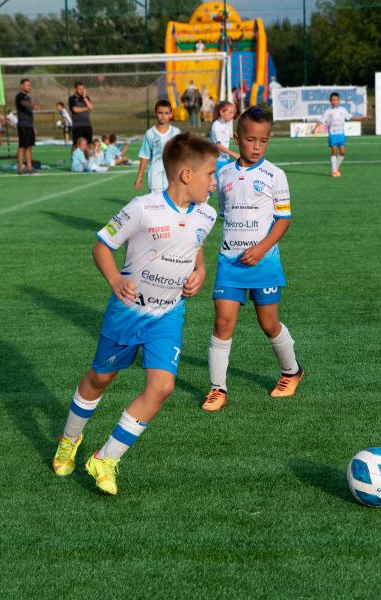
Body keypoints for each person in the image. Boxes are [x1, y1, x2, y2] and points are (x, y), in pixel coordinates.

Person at [51, 132, 219, 496]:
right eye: (210, 174)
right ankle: (69, 439)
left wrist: (201, 272)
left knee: (162, 386)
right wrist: (115, 279)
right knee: (100, 378)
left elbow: (196, 246)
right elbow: (102, 245)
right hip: (128, 312)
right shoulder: (143, 208)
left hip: (168, 314)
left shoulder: (207, 214)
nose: (214, 182)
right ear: (186, 175)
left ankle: (106, 458)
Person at [202, 106, 303, 412]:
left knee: (268, 322)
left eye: (263, 140)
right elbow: (223, 211)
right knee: (223, 322)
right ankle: (217, 389)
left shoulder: (275, 175)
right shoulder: (223, 173)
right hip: (229, 263)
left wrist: (260, 248)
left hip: (264, 262)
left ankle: (291, 372)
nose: (257, 146)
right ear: (237, 138)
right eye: (250, 140)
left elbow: (283, 219)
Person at [135, 100, 182, 193]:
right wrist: (139, 177)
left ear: (171, 114)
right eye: (160, 113)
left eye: (166, 113)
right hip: (155, 181)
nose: (163, 116)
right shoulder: (150, 133)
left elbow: (182, 155)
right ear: (155, 113)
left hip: (173, 179)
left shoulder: (176, 133)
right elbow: (145, 156)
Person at [320, 92, 365, 178]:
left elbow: (350, 117)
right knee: (334, 151)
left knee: (342, 152)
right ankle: (334, 171)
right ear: (330, 101)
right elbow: (322, 120)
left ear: (339, 101)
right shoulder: (328, 111)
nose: (335, 101)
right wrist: (316, 127)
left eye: (336, 100)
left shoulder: (342, 110)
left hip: (341, 134)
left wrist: (362, 118)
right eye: (333, 100)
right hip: (333, 134)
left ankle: (336, 169)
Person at [209, 100, 239, 201]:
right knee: (210, 189)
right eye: (230, 113)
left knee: (231, 186)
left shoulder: (225, 124)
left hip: (226, 161)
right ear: (222, 112)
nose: (232, 115)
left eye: (233, 113)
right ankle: (198, 207)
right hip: (216, 162)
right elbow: (218, 145)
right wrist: (235, 154)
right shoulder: (216, 125)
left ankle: (228, 208)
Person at [15, 78, 40, 175]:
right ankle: (20, 168)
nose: (29, 87)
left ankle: (29, 168)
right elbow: (24, 104)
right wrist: (33, 106)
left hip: (29, 125)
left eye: (30, 85)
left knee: (29, 147)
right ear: (22, 86)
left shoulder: (27, 96)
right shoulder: (20, 96)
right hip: (23, 125)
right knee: (22, 147)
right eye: (27, 85)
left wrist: (33, 126)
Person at [68, 82, 94, 146]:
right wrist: (87, 108)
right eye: (79, 89)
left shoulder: (86, 97)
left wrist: (84, 98)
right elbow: (75, 110)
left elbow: (91, 107)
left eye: (83, 88)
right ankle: (74, 153)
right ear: (75, 89)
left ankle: (87, 153)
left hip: (87, 125)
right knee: (76, 145)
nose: (81, 90)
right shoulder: (72, 98)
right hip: (77, 126)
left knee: (88, 144)